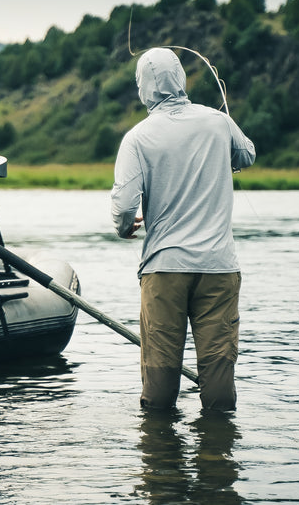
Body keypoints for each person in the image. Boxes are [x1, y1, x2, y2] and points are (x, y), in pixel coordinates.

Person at [110, 47, 255, 411]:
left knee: (159, 387)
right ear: (181, 77)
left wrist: (125, 228)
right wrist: (223, 132)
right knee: (219, 381)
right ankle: (219, 458)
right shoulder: (217, 122)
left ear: (143, 87)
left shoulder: (137, 138)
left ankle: (160, 461)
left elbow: (124, 206)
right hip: (219, 268)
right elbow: (247, 155)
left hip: (164, 269)